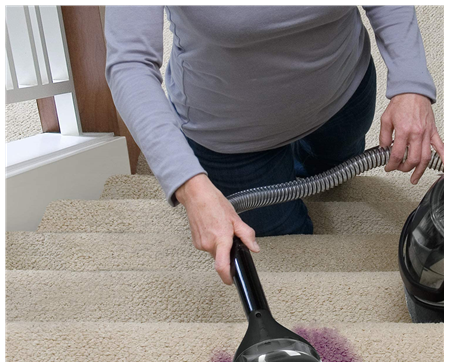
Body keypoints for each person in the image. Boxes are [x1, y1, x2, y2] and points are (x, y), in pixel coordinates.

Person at [105, 5, 444, 285]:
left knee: (334, 175)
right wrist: (189, 186)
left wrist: (411, 85)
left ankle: (298, 163)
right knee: (291, 262)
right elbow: (130, 63)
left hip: (342, 95)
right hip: (232, 139)